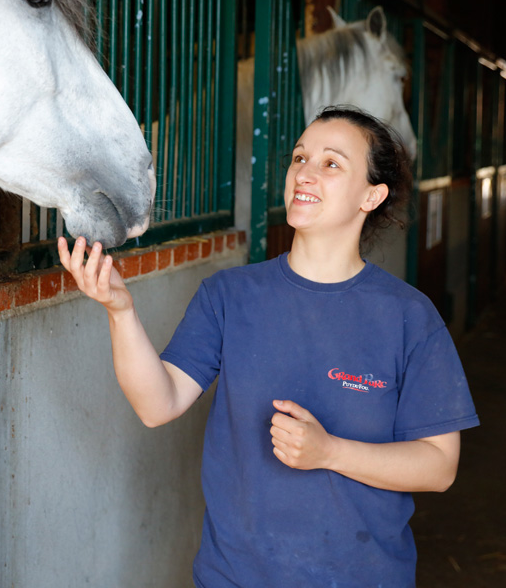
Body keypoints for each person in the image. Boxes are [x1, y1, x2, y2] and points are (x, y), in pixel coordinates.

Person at [58, 105, 479, 587]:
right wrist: (121, 312)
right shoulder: (230, 296)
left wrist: (329, 452)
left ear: (372, 195)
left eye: (331, 163)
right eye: (300, 157)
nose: (304, 172)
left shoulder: (409, 317)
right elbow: (158, 404)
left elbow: (439, 466)